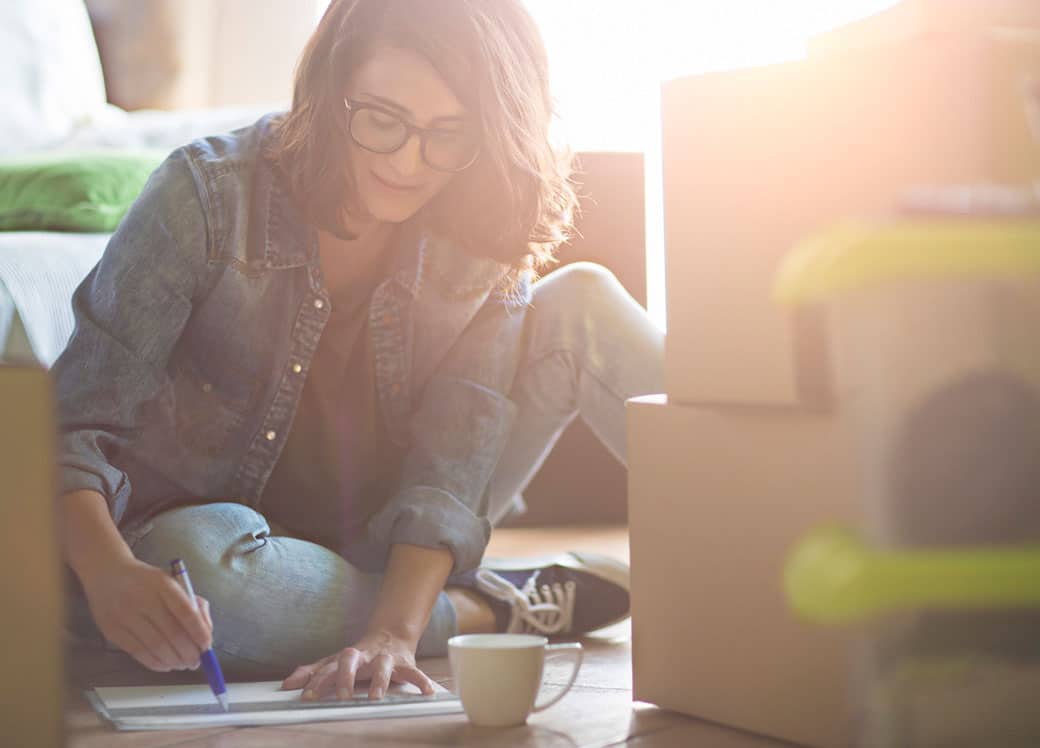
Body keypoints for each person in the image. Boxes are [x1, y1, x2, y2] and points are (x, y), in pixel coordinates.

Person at [55, 0, 663, 702]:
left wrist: (394, 635)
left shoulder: (478, 216)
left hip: (395, 529)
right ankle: (487, 608)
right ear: (330, 92)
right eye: (382, 119)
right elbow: (71, 423)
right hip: (221, 545)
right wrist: (105, 573)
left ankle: (781, 560)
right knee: (198, 573)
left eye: (447, 133)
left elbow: (450, 468)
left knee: (585, 299)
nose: (408, 162)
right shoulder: (206, 198)